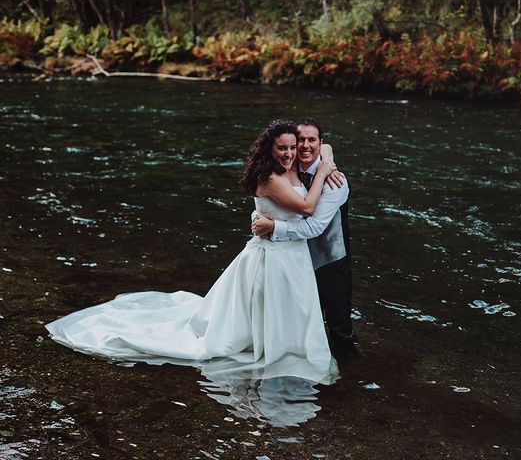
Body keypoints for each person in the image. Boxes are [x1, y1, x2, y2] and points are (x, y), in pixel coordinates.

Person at [45, 119, 339, 383]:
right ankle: (274, 349)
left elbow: (320, 144)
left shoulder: (291, 168)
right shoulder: (270, 178)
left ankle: (285, 345)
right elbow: (307, 208)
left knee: (289, 309)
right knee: (263, 312)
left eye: (293, 147)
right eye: (282, 148)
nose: (290, 153)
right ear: (269, 149)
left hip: (293, 256)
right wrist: (325, 171)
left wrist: (327, 159)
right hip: (273, 257)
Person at [251, 117, 355, 354]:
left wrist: (273, 227)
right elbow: (269, 199)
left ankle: (347, 377)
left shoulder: (334, 180)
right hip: (295, 259)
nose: (306, 145)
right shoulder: (288, 167)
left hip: (330, 260)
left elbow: (314, 226)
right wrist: (258, 219)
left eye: (312, 140)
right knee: (299, 318)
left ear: (321, 143)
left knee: (339, 325)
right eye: (301, 140)